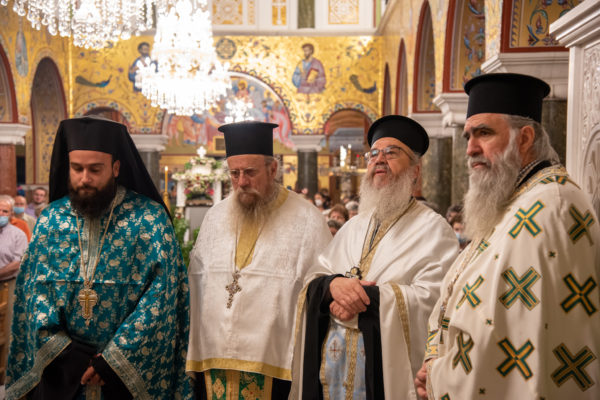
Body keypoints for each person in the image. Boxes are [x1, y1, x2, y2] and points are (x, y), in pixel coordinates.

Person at [416, 73, 600, 399]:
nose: (470, 148)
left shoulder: (551, 207)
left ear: (524, 138)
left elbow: (519, 337)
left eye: (484, 133)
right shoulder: (510, 202)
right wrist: (435, 361)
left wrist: (440, 376)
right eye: (468, 136)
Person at [7, 116, 192, 399]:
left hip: (126, 378)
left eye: (95, 169)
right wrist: (67, 354)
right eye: (77, 168)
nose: (85, 178)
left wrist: (112, 361)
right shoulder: (51, 219)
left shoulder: (149, 219)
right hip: (63, 373)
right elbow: (33, 294)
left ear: (116, 168)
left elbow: (162, 296)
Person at [291, 115, 459, 399]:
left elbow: (437, 301)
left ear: (415, 171)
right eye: (373, 154)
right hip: (333, 373)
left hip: (385, 378)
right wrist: (332, 287)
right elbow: (317, 275)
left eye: (391, 153)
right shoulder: (353, 225)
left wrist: (363, 301)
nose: (379, 160)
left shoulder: (434, 230)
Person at [186, 121, 332, 399]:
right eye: (234, 173)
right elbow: (197, 281)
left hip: (275, 363)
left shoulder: (307, 220)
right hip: (214, 356)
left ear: (273, 169)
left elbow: (321, 288)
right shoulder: (215, 217)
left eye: (250, 172)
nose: (242, 182)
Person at [0, 195, 28, 385]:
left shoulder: (18, 234)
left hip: (8, 286)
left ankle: (4, 380)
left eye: (4, 211)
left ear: (11, 215)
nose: (1, 214)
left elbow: (18, 262)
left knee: (7, 331)